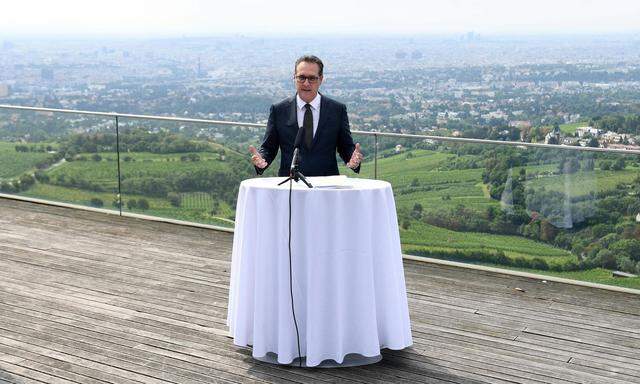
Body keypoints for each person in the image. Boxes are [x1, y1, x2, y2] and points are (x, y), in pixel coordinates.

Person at [249, 55, 363, 177]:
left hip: (327, 184)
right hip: (291, 183)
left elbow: (345, 147)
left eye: (312, 78)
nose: (306, 83)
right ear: (294, 78)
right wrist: (261, 160)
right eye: (301, 78)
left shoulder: (337, 110)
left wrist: (353, 160)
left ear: (321, 79)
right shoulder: (279, 110)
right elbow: (268, 147)